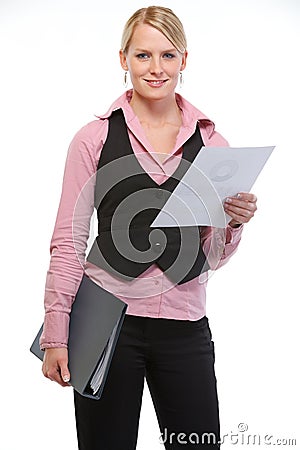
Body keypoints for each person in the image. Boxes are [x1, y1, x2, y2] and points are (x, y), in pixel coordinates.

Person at [40, 5, 257, 449]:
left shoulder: (212, 144)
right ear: (123, 59)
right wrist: (55, 333)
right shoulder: (93, 139)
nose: (155, 69)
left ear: (184, 60)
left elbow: (211, 255)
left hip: (184, 325)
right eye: (142, 56)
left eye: (167, 55)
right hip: (105, 326)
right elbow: (68, 241)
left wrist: (232, 223)